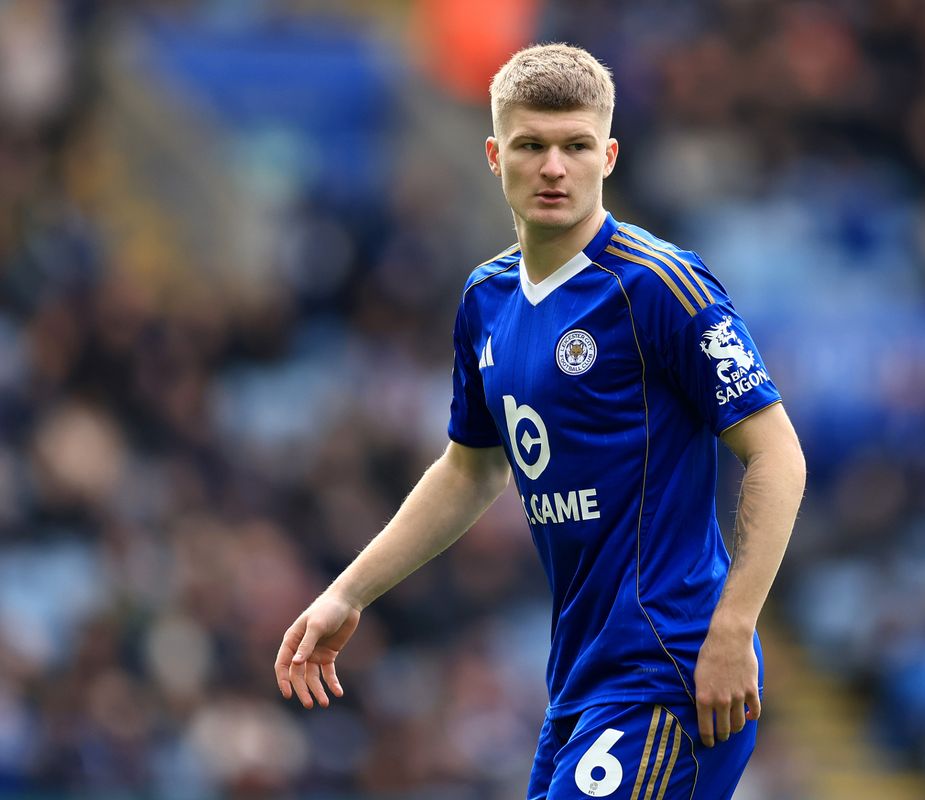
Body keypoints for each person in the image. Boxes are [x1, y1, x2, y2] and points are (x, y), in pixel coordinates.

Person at [275, 43, 806, 799]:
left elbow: (778, 454)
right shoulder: (485, 299)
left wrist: (733, 628)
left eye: (575, 146)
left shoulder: (660, 286)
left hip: (672, 670)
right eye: (532, 146)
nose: (554, 167)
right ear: (496, 155)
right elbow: (470, 468)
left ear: (609, 155)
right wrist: (348, 592)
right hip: (579, 684)